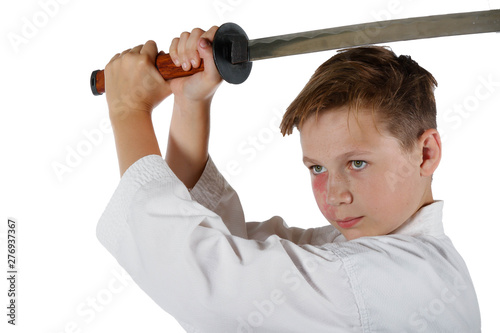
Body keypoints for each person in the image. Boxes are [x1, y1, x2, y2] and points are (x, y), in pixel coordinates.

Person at [97, 26, 481, 332]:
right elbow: (226, 246)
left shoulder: (383, 281)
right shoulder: (384, 255)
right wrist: (190, 102)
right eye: (317, 168)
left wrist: (129, 108)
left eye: (357, 163)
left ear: (426, 153)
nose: (334, 195)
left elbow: (198, 277)